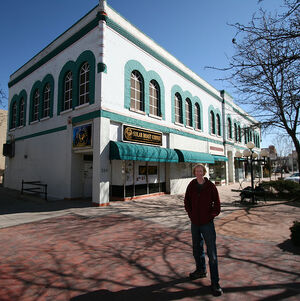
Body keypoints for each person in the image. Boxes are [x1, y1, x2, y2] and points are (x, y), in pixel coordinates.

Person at [184, 164, 223, 296]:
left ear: (204, 172)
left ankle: (215, 282)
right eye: (197, 171)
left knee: (211, 253)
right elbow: (187, 201)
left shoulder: (210, 186)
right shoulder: (191, 185)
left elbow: (217, 205)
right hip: (195, 223)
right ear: (194, 172)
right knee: (197, 248)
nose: (199, 173)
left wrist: (210, 215)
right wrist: (191, 214)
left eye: (201, 171)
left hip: (207, 224)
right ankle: (200, 270)